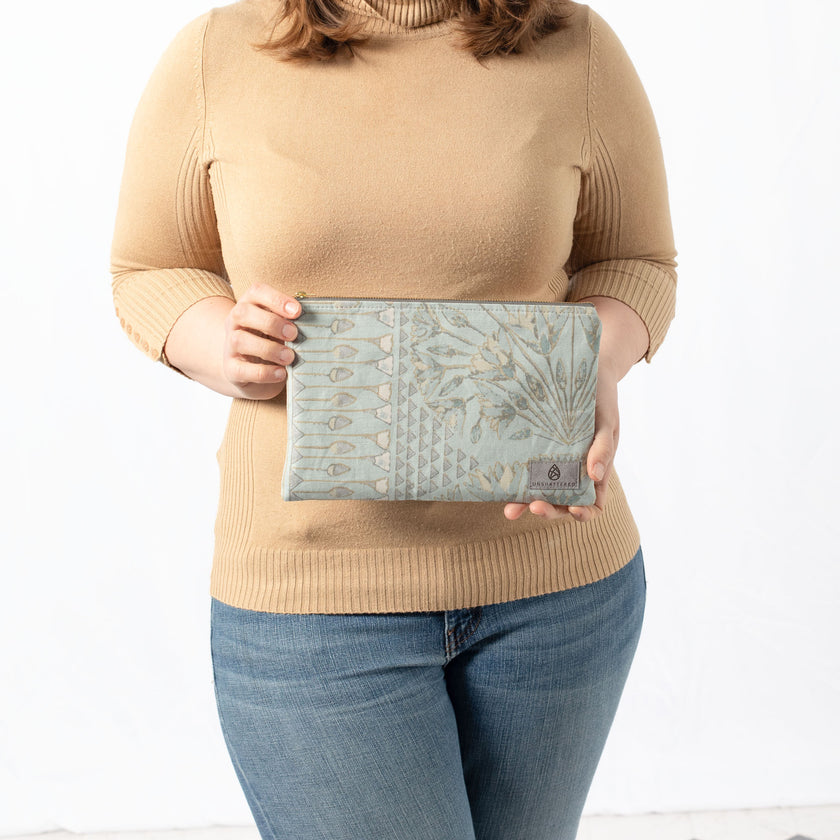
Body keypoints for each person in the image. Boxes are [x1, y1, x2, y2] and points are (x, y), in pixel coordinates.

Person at [111, 0, 676, 836]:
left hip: (558, 590)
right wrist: (217, 341)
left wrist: (597, 351)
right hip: (311, 603)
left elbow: (637, 261)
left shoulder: (575, 46)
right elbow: (149, 266)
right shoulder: (218, 53)